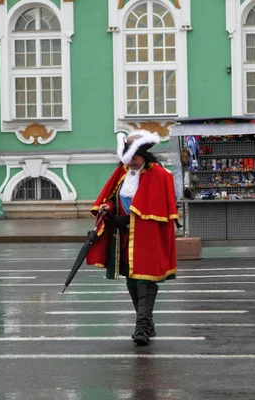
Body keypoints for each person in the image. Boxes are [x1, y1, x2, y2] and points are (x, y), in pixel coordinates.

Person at [85, 130, 178, 346]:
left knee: (145, 279)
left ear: (144, 156)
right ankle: (147, 323)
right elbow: (111, 199)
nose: (131, 163)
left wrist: (127, 220)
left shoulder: (159, 175)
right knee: (132, 281)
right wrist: (107, 209)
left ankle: (142, 328)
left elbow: (159, 209)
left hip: (148, 237)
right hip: (126, 238)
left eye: (135, 158)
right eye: (128, 159)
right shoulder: (122, 172)